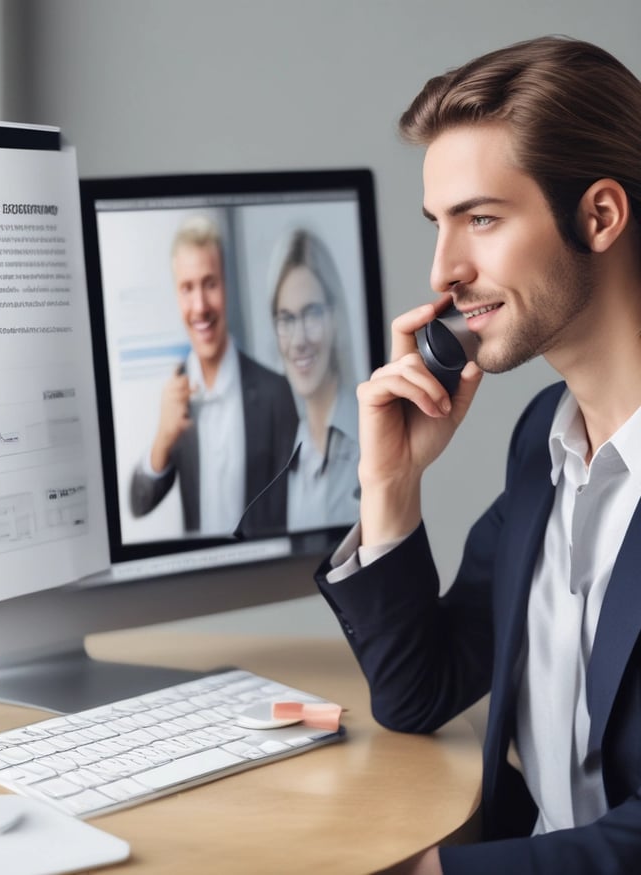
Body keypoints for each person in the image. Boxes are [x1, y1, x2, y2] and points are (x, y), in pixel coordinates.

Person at [315, 36, 641, 874]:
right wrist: (390, 484)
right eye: (440, 224)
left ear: (599, 216)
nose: (444, 270)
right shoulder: (546, 438)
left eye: (482, 219)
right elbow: (420, 692)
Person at [130, 214, 298, 535]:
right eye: (187, 288)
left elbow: (294, 512)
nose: (200, 305)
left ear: (226, 285)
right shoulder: (175, 396)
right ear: (177, 296)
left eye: (210, 283)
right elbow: (139, 502)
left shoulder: (275, 392)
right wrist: (163, 438)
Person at [270, 229, 360, 529]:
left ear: (334, 319)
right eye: (287, 319)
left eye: (311, 315)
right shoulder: (285, 453)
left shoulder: (369, 435)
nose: (298, 341)